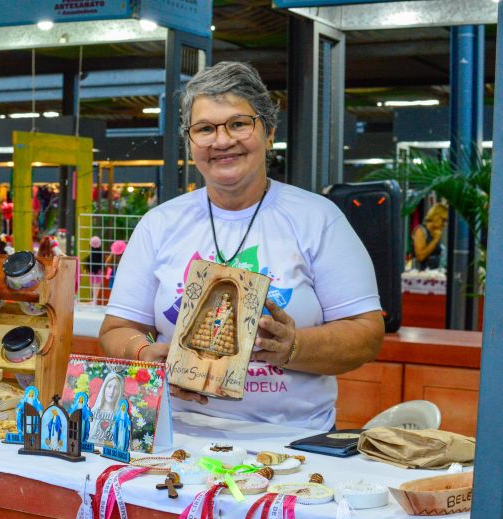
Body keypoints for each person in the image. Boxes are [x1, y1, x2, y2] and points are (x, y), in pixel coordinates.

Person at [99, 61, 384, 432]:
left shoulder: (317, 218)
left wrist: (295, 346)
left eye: (238, 123)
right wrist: (142, 353)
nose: (222, 140)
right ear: (190, 143)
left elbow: (367, 334)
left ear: (268, 132)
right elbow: (115, 329)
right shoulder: (161, 223)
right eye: (205, 129)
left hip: (292, 442)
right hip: (174, 434)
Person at [412, 203, 448, 271]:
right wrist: (435, 240)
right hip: (421, 276)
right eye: (443, 220)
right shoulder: (420, 231)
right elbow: (420, 257)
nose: (444, 224)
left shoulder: (435, 233)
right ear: (436, 217)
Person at [89, 372, 124, 443]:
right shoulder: (93, 413)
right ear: (104, 388)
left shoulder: (120, 417)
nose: (111, 391)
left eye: (116, 388)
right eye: (109, 386)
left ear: (120, 392)